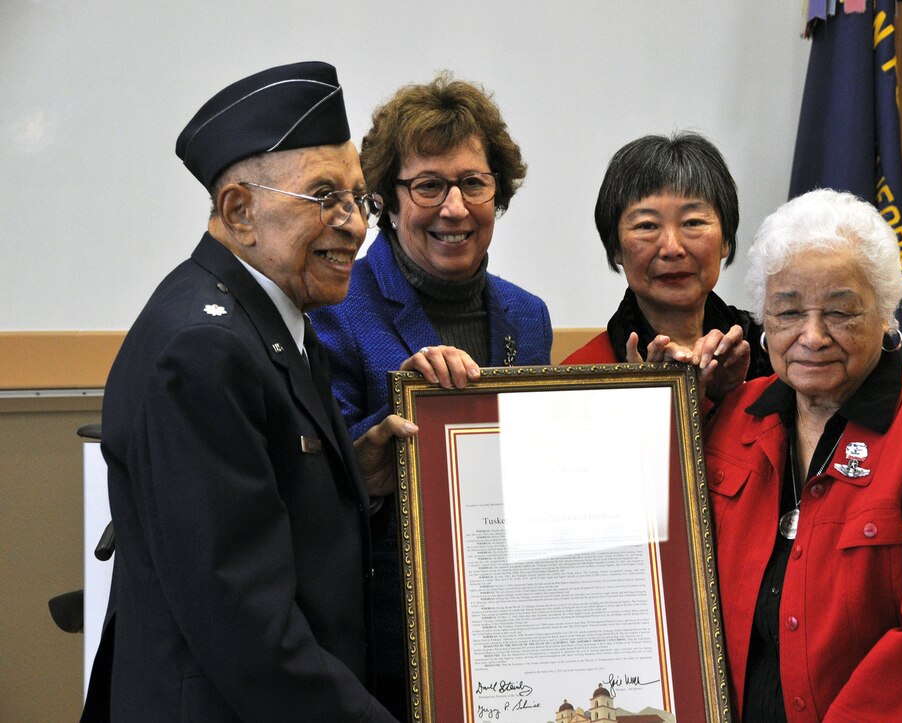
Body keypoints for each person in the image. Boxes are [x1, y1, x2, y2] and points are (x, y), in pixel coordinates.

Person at [82, 62, 408, 721]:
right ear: (239, 211)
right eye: (326, 197)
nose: (355, 224)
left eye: (360, 198)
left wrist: (358, 479)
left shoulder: (273, 319)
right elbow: (246, 628)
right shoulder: (202, 349)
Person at [706, 189, 902, 721]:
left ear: (884, 314)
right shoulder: (734, 420)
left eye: (840, 311)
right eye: (787, 311)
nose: (812, 336)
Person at [309, 73, 552, 718]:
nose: (454, 207)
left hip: (507, 633)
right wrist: (381, 442)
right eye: (428, 185)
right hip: (382, 638)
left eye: (473, 183)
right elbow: (316, 484)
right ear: (387, 199)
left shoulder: (528, 319)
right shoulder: (336, 308)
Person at [562, 131, 771, 383]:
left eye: (693, 222)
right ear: (616, 246)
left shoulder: (772, 354)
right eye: (647, 226)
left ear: (726, 239)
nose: (672, 248)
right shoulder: (582, 376)